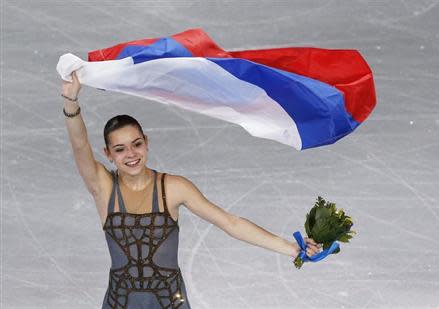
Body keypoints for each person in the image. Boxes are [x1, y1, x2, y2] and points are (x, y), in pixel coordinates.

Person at [61, 70, 322, 308]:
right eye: (120, 149)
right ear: (108, 154)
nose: (131, 154)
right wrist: (70, 102)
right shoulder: (103, 188)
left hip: (169, 302)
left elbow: (230, 223)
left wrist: (291, 248)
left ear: (146, 143)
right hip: (120, 303)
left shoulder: (173, 188)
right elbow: (80, 146)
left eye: (136, 144)